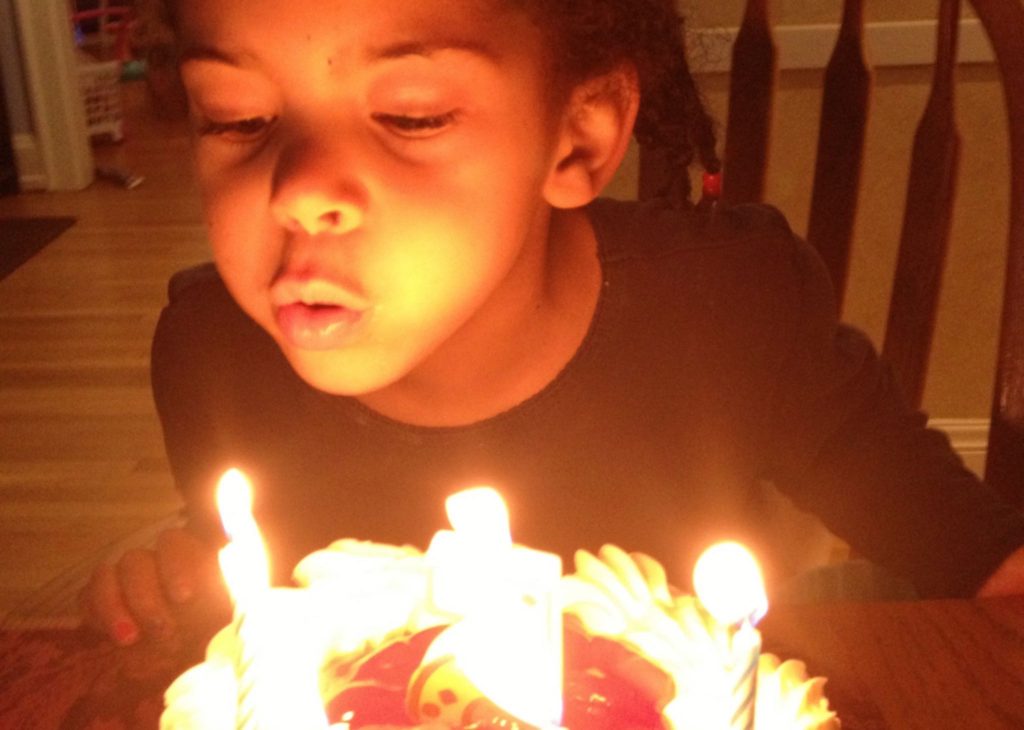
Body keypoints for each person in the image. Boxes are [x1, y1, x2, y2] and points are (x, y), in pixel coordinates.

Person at [80, 0, 1024, 650]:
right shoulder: (211, 355)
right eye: (237, 119)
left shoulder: (735, 309)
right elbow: (250, 597)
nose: (298, 193)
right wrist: (170, 578)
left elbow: (965, 546)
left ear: (578, 137)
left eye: (411, 116)